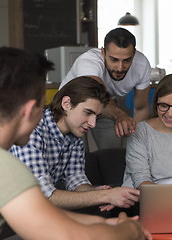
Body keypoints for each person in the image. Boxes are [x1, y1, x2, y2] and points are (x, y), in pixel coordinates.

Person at [0, 46, 150, 240]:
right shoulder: (0, 164)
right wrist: (129, 231)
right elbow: (64, 233)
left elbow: (36, 212)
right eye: (41, 106)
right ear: (30, 109)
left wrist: (105, 224)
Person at [10, 76, 140, 213]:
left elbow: (75, 179)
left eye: (97, 116)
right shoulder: (31, 130)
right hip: (9, 209)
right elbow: (42, 196)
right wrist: (103, 196)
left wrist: (99, 192)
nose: (93, 123)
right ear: (66, 104)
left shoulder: (75, 134)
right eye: (88, 113)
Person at [60, 27, 152, 149]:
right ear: (103, 53)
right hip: (74, 106)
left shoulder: (142, 65)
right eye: (114, 60)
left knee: (112, 153)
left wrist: (138, 142)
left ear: (134, 54)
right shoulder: (89, 61)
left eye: (126, 60)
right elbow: (97, 95)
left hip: (105, 105)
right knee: (80, 154)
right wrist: (119, 115)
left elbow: (141, 108)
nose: (120, 68)